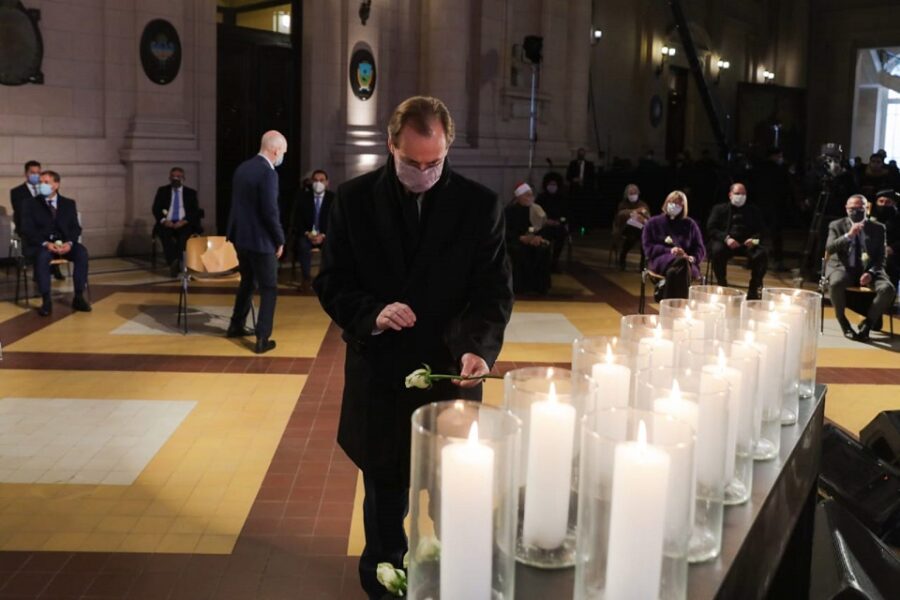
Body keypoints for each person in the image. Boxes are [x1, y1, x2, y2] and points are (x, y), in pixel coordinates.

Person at [313, 96, 513, 600]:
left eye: (435, 163)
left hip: (450, 373)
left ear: (447, 148)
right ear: (390, 144)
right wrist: (371, 313)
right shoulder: (353, 200)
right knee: (384, 498)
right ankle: (383, 580)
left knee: (455, 493)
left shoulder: (479, 205)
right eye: (411, 162)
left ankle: (455, 578)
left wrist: (479, 350)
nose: (424, 173)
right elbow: (332, 282)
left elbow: (493, 293)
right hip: (380, 374)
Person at [225, 130, 287, 354]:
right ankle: (262, 338)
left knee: (247, 282)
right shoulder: (268, 173)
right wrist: (279, 239)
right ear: (276, 149)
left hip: (241, 238)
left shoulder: (243, 167)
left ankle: (236, 325)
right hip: (261, 241)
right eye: (283, 152)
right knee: (269, 288)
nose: (283, 156)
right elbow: (270, 212)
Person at [19, 171, 91, 316]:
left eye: (46, 182)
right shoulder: (30, 204)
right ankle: (46, 300)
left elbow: (75, 228)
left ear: (56, 184)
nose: (41, 185)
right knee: (42, 257)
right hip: (42, 245)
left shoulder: (68, 204)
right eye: (40, 182)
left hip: (64, 243)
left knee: (81, 253)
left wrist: (69, 243)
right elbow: (26, 229)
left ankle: (78, 296)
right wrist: (45, 243)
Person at [825, 194, 894, 341]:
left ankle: (867, 324)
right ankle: (844, 324)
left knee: (888, 289)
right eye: (852, 208)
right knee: (836, 283)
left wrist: (871, 272)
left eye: (859, 208)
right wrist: (848, 236)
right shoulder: (836, 225)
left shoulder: (878, 228)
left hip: (869, 269)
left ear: (866, 208)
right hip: (843, 267)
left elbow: (881, 257)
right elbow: (829, 248)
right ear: (846, 209)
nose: (855, 211)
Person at [706, 183, 769, 299]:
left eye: (743, 194)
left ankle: (754, 287)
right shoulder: (719, 209)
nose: (741, 196)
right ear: (730, 195)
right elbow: (711, 228)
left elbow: (762, 230)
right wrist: (726, 238)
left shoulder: (753, 210)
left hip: (747, 244)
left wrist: (754, 240)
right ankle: (722, 285)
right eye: (737, 193)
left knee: (762, 254)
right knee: (717, 251)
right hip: (727, 242)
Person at [641, 190, 706, 300]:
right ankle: (682, 305)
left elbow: (700, 248)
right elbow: (648, 248)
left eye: (678, 204)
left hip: (687, 263)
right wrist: (670, 251)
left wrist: (692, 258)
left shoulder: (690, 224)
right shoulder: (653, 223)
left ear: (683, 206)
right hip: (661, 260)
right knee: (682, 263)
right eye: (671, 202)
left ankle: (666, 298)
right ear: (666, 203)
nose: (674, 206)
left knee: (676, 271)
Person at [10, 160, 64, 281]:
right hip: (27, 228)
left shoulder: (46, 189)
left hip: (46, 227)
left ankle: (55, 266)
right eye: (32, 172)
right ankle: (40, 271)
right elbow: (20, 213)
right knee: (34, 239)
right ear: (26, 173)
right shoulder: (16, 192)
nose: (35, 175)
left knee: (58, 234)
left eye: (38, 173)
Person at [152, 167, 202, 276]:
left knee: (184, 238)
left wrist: (184, 221)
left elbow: (194, 211)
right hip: (167, 222)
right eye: (173, 176)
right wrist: (164, 221)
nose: (175, 179)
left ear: (183, 178)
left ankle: (179, 261)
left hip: (184, 223)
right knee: (165, 236)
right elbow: (156, 208)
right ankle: (173, 262)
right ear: (169, 178)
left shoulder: (191, 193)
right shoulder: (162, 191)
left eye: (178, 176)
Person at [506, 182, 552, 294]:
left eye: (531, 195)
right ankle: (521, 286)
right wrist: (520, 238)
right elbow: (506, 230)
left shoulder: (537, 210)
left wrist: (539, 237)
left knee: (543, 249)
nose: (530, 198)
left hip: (536, 240)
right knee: (519, 251)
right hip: (517, 240)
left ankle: (539, 287)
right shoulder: (509, 211)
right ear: (519, 197)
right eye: (527, 195)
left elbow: (545, 227)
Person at [291, 168, 333, 287]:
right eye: (315, 180)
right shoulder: (303, 198)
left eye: (321, 180)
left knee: (331, 247)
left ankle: (323, 279)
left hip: (325, 236)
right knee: (303, 245)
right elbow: (297, 220)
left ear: (327, 182)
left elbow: (335, 221)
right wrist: (307, 233)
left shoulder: (333, 198)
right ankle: (306, 278)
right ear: (311, 182)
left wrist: (323, 235)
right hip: (307, 235)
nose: (318, 183)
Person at [751, 147, 791, 270]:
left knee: (757, 235)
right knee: (776, 235)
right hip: (775, 206)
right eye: (779, 156)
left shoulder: (757, 169)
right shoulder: (780, 170)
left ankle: (752, 258)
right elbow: (785, 188)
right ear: (775, 156)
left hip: (759, 205)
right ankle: (778, 261)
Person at [534, 171, 568, 271]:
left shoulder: (562, 198)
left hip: (558, 225)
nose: (552, 186)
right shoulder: (541, 198)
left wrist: (560, 221)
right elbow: (536, 213)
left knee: (561, 236)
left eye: (554, 184)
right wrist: (546, 221)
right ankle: (544, 262)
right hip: (544, 225)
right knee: (545, 236)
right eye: (550, 184)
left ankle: (555, 261)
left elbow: (566, 215)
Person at [612, 183, 650, 270]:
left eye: (634, 193)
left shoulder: (642, 203)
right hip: (626, 228)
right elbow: (621, 214)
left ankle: (642, 264)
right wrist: (635, 211)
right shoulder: (622, 204)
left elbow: (647, 215)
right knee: (631, 237)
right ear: (627, 194)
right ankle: (623, 257)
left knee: (644, 237)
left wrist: (642, 217)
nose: (633, 195)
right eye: (631, 193)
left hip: (640, 228)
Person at [872, 189, 899, 288]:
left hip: (892, 252)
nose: (883, 204)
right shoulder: (870, 217)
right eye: (881, 201)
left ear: (894, 204)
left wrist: (892, 248)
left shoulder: (897, 219)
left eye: (888, 202)